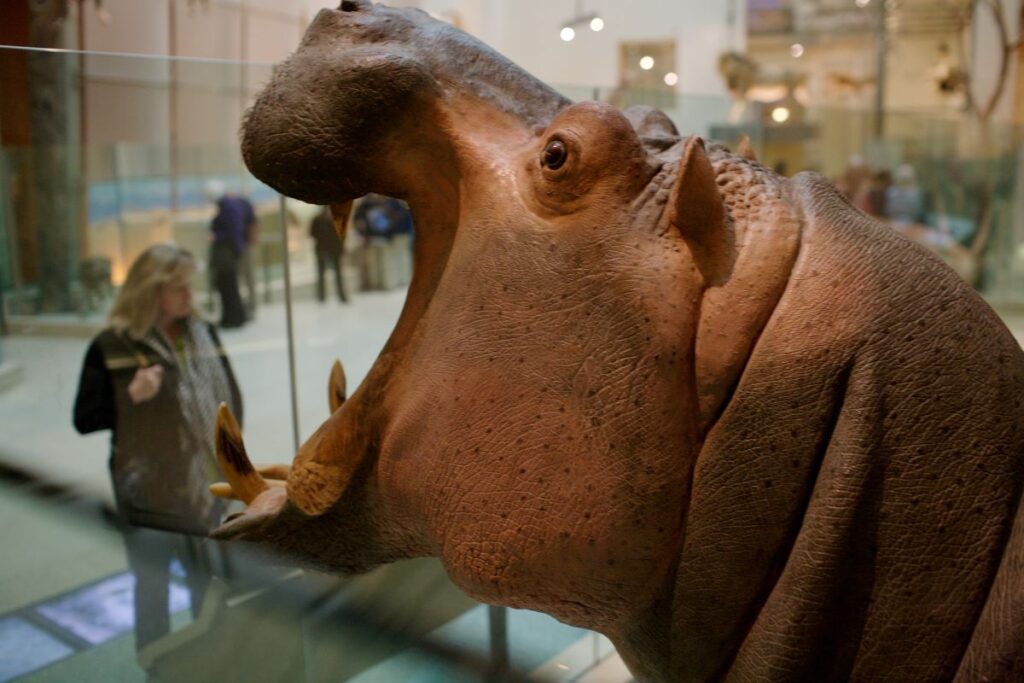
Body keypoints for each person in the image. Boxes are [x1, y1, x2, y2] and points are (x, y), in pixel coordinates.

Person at [72, 243, 243, 655]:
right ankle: (156, 663)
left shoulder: (203, 332)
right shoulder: (112, 345)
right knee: (153, 582)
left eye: (190, 286)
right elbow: (83, 419)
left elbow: (231, 402)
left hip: (206, 484)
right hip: (149, 489)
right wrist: (127, 397)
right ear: (150, 291)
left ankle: (213, 661)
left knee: (207, 576)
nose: (189, 295)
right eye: (178, 288)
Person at [205, 181, 250, 328]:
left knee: (229, 287)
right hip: (228, 254)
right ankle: (231, 317)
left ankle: (234, 317)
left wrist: (218, 236)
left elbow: (234, 230)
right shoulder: (226, 206)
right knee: (227, 287)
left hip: (227, 255)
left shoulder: (228, 206)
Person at [310, 205, 349, 303]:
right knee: (322, 274)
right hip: (322, 250)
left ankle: (341, 296)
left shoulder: (336, 219)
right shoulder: (318, 219)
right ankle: (321, 297)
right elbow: (312, 233)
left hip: (333, 250)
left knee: (338, 274)